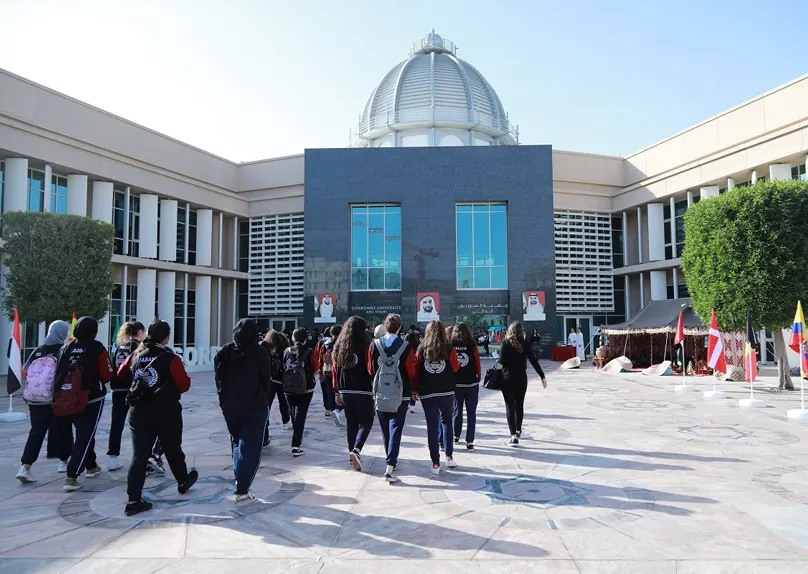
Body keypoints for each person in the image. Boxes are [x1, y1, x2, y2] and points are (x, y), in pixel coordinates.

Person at [117, 320, 197, 516]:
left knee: (139, 455)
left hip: (138, 411)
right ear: (167, 337)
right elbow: (184, 385)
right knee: (172, 448)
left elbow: (120, 373)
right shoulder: (170, 357)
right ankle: (182, 480)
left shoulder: (136, 354)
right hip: (165, 410)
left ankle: (133, 500)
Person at [53, 317, 114, 492]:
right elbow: (108, 375)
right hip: (90, 398)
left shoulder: (65, 348)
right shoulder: (97, 348)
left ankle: (91, 465)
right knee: (85, 435)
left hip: (65, 397)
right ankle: (72, 476)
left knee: (85, 434)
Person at [214, 319, 271, 502]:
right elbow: (266, 380)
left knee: (237, 442)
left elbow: (218, 379)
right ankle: (242, 489)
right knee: (251, 448)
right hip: (254, 406)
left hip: (230, 407)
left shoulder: (223, 352)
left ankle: (240, 481)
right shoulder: (260, 353)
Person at [15, 320, 72, 483]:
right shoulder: (63, 351)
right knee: (62, 429)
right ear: (62, 333)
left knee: (36, 432)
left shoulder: (38, 350)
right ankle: (63, 462)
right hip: (55, 399)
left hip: (35, 399)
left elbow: (26, 370)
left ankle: (24, 467)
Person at [370, 314, 417, 482]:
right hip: (401, 393)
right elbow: (411, 371)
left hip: (381, 392)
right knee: (396, 428)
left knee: (385, 429)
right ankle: (390, 465)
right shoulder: (406, 346)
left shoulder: (374, 345)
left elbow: (370, 369)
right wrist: (414, 390)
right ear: (399, 327)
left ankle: (390, 459)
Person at [412, 320, 459, 475]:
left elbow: (416, 370)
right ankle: (449, 457)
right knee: (447, 422)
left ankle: (435, 464)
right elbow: (455, 367)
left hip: (428, 392)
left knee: (432, 427)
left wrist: (414, 389)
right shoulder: (449, 348)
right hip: (446, 391)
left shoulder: (421, 348)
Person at [332, 316, 374, 472]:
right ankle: (356, 449)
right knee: (367, 421)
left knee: (351, 422)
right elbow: (371, 368)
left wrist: (336, 390)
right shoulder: (367, 346)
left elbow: (335, 370)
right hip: (363, 388)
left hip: (345, 389)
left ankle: (352, 453)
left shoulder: (340, 346)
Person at [497, 321, 547, 447]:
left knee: (509, 406)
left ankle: (513, 436)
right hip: (521, 378)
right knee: (519, 404)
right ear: (521, 331)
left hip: (507, 378)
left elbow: (501, 362)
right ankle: (518, 430)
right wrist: (542, 376)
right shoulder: (525, 344)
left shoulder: (505, 344)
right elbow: (533, 360)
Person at [107, 321, 145, 472]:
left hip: (117, 389)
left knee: (116, 423)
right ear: (140, 332)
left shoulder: (119, 348)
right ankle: (142, 456)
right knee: (141, 423)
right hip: (132, 389)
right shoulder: (138, 347)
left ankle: (112, 457)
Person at [283, 328, 316, 457]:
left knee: (293, 412)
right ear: (305, 339)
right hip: (306, 387)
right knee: (301, 414)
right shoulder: (310, 352)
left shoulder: (286, 351)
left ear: (293, 338)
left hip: (289, 386)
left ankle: (296, 436)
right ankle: (296, 445)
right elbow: (315, 368)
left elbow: (283, 366)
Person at [450, 323, 481, 451]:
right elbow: (477, 362)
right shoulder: (472, 345)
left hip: (456, 384)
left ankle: (456, 435)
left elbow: (451, 365)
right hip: (471, 384)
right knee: (471, 413)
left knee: (457, 411)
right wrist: (478, 376)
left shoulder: (451, 346)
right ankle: (470, 441)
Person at [261, 330, 292, 441]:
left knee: (266, 405)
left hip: (270, 381)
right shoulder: (285, 349)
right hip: (282, 380)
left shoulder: (266, 349)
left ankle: (265, 429)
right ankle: (286, 420)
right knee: (283, 401)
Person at [313, 325, 343, 426]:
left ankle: (330, 409)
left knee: (329, 391)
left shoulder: (324, 343)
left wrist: (321, 371)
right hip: (339, 370)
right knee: (341, 390)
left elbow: (320, 359)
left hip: (327, 370)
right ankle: (338, 409)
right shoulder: (342, 343)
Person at [404, 326, 421, 413]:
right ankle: (412, 405)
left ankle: (407, 403)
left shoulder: (406, 341)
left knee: (407, 384)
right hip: (414, 362)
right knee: (413, 384)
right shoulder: (417, 339)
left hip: (407, 362)